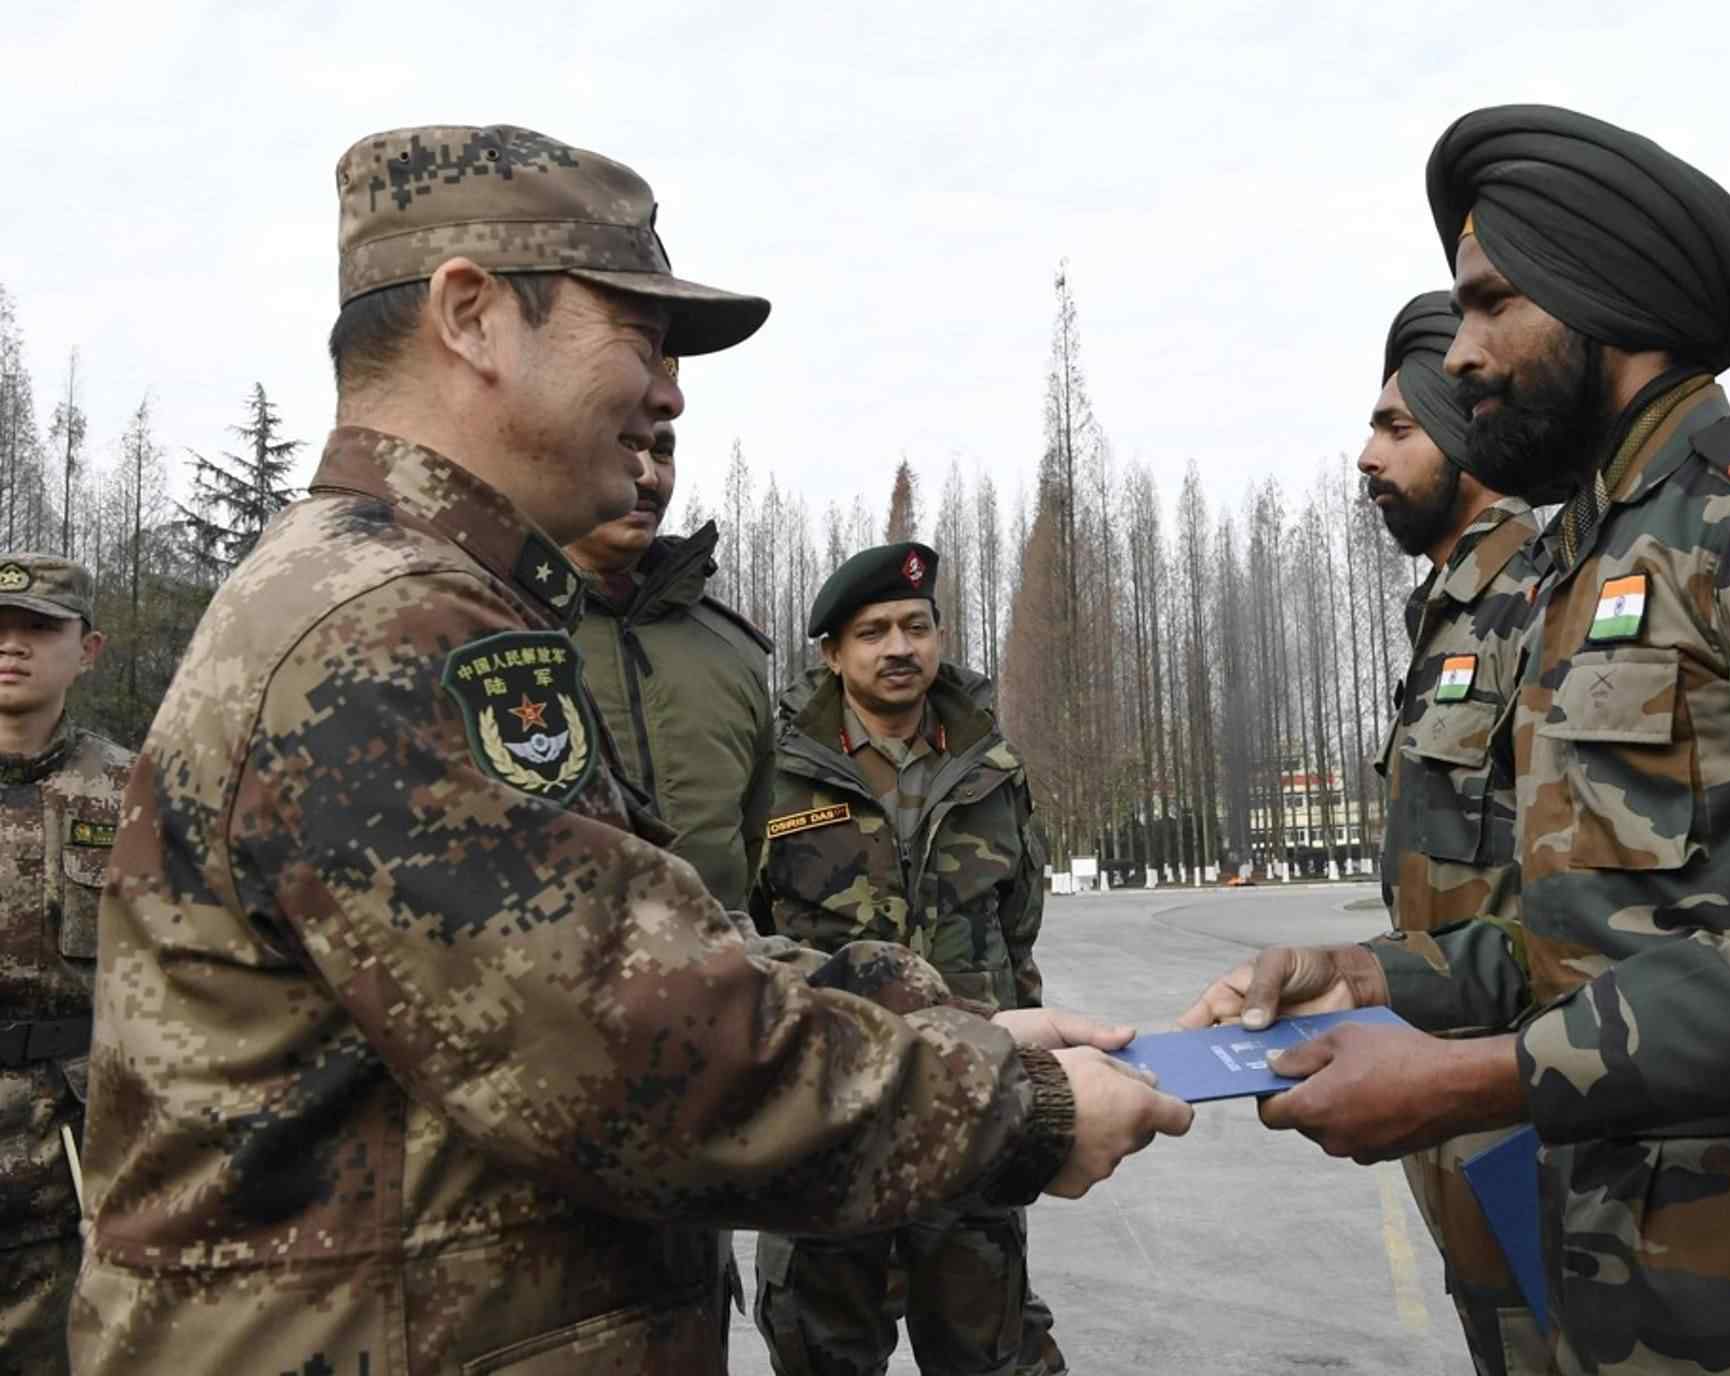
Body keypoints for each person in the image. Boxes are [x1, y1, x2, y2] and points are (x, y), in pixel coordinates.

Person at [72, 124, 1192, 1376]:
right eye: (639, 337)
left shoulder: (423, 592)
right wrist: (1018, 1110)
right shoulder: (393, 622)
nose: (668, 391)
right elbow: (632, 1042)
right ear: (474, 316)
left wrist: (943, 1016)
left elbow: (636, 939)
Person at [1184, 104, 1730, 1374]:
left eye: (1487, 307)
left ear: (1600, 299)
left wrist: (1482, 1083)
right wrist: (1367, 978)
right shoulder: (1587, 563)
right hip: (1614, 1290)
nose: (1458, 357)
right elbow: (1577, 942)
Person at [752, 541, 1060, 1376]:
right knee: (823, 1353)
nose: (899, 647)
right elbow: (740, 940)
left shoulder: (990, 769)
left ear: (939, 635)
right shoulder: (775, 771)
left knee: (990, 1350)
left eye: (916, 627)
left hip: (967, 1109)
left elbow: (1017, 931)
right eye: (874, 630)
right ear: (832, 653)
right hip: (828, 1116)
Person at [1363, 295, 1550, 1375]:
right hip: (1446, 1085)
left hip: (1528, 1096)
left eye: (1397, 428)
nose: (1367, 457)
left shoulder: (1538, 595)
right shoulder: (1448, 614)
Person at [0, 556, 128, 1376]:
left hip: (69, 1153)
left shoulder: (132, 792)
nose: (11, 647)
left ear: (88, 651)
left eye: (41, 628)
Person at [566, 415, 772, 917]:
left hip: (724, 979)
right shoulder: (494, 624)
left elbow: (755, 846)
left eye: (661, 451)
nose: (648, 476)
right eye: (621, 443)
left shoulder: (731, 650)